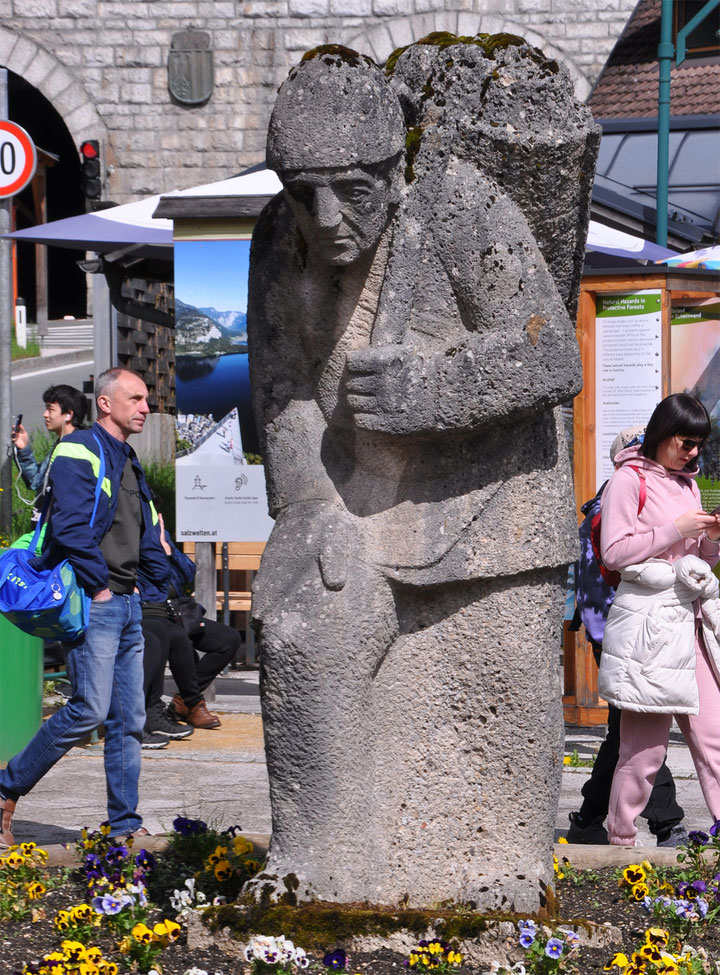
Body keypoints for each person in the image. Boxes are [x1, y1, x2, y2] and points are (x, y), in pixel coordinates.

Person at [0, 368, 169, 847]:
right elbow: (71, 527)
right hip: (94, 601)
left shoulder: (127, 458)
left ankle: (123, 829)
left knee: (129, 721)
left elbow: (143, 528)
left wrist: (148, 588)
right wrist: (99, 588)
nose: (145, 407)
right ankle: (7, 787)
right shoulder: (78, 450)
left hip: (127, 603)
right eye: (135, 398)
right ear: (105, 404)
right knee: (89, 708)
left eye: (146, 399)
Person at [598, 393, 720, 846]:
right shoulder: (628, 480)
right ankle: (621, 841)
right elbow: (614, 552)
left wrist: (710, 539)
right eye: (686, 442)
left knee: (713, 739)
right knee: (643, 751)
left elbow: (696, 554)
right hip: (650, 627)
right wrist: (677, 530)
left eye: (699, 445)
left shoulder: (688, 482)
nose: (693, 453)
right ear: (663, 433)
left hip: (691, 623)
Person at [567, 424, 687, 847]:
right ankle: (666, 822)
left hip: (636, 630)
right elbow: (603, 572)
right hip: (628, 633)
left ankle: (586, 819)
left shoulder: (620, 498)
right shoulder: (617, 498)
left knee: (625, 730)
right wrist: (608, 636)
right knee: (642, 724)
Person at [138, 513, 239, 734]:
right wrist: (161, 554)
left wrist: (168, 548)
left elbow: (187, 573)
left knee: (228, 639)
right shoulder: (131, 537)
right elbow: (156, 576)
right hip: (150, 613)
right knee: (178, 638)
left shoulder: (159, 534)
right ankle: (193, 703)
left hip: (178, 611)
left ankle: (183, 702)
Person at [12, 384, 88, 501]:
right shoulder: (63, 443)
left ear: (69, 414)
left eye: (50, 409)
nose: (45, 414)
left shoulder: (77, 449)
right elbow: (37, 482)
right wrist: (23, 449)